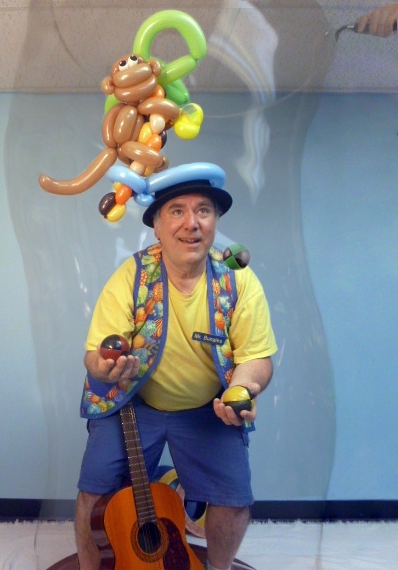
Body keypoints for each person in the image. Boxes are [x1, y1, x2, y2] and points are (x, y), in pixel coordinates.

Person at [74, 167, 277, 570]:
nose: (192, 223)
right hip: (132, 404)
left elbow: (257, 357)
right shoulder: (131, 276)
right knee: (95, 496)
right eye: (177, 211)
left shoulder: (238, 280)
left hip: (208, 409)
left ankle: (216, 568)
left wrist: (242, 389)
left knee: (233, 500)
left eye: (203, 210)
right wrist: (105, 368)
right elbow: (98, 354)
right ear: (157, 226)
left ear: (215, 221)